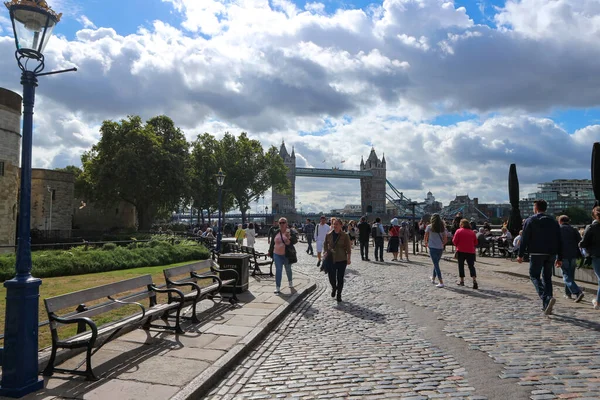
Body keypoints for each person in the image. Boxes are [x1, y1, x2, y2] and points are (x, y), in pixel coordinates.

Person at [518, 199, 563, 315]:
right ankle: (547, 304)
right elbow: (559, 239)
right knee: (547, 278)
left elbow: (524, 239)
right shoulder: (553, 221)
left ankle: (546, 298)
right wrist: (560, 257)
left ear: (536, 208)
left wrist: (520, 254)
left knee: (534, 276)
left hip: (537, 252)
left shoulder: (531, 220)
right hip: (551, 253)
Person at [323, 217, 352, 302]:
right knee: (331, 277)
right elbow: (325, 244)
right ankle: (334, 288)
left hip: (341, 259)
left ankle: (339, 294)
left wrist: (348, 258)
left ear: (341, 225)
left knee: (340, 278)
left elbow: (348, 248)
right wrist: (325, 252)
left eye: (337, 224)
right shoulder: (328, 234)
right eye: (334, 224)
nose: (335, 226)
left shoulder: (345, 235)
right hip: (331, 259)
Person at [557, 215, 584, 302]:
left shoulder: (558, 230)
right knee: (570, 275)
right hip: (573, 255)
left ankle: (577, 292)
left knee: (566, 275)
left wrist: (557, 257)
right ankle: (568, 294)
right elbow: (580, 241)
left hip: (563, 255)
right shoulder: (574, 229)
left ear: (560, 221)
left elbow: (556, 244)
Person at [267, 217, 296, 295]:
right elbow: (273, 243)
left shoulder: (290, 231)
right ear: (279, 224)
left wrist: (289, 237)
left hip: (286, 254)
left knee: (288, 269)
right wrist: (270, 251)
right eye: (280, 223)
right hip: (277, 254)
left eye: (283, 222)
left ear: (286, 223)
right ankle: (277, 287)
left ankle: (290, 282)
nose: (282, 224)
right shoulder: (276, 232)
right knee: (278, 270)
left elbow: (295, 240)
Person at [579, 205, 600, 310]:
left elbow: (583, 243)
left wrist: (580, 244)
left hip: (596, 256)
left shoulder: (591, 227)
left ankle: (597, 302)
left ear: (593, 216)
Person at [452, 219, 479, 289]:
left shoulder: (458, 231)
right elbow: (476, 242)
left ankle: (462, 281)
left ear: (461, 224)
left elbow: (454, 241)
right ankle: (474, 280)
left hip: (461, 250)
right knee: (471, 266)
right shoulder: (472, 232)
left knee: (461, 266)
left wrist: (458, 245)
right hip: (470, 251)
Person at [424, 213, 447, 287]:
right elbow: (445, 238)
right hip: (440, 247)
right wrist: (442, 244)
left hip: (432, 247)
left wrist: (426, 243)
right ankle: (433, 278)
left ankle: (441, 282)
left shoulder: (429, 227)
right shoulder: (442, 227)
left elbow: (426, 236)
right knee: (436, 263)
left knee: (436, 264)